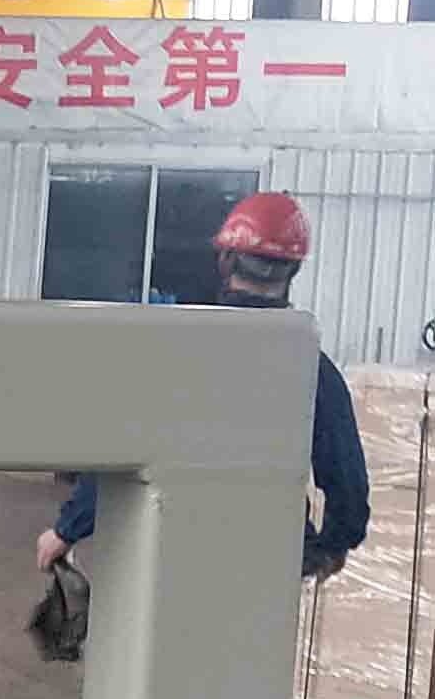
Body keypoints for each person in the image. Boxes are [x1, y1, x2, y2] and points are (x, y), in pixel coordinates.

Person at [35, 189, 369, 588]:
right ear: (294, 269)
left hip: (173, 548)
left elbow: (121, 450)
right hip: (269, 559)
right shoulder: (313, 366)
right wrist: (332, 546)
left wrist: (66, 530)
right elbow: (347, 483)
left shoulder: (178, 352)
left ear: (225, 260)